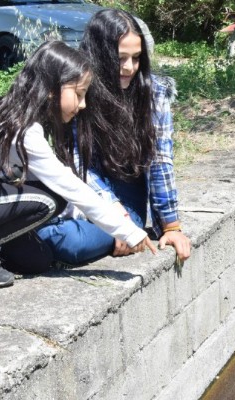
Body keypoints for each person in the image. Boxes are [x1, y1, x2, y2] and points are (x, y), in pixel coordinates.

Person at [0, 40, 156, 288]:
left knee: (37, 261)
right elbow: (70, 187)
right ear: (50, 89)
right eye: (78, 94)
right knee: (50, 200)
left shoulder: (22, 116)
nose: (83, 104)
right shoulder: (23, 129)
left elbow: (59, 179)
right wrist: (129, 232)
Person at [37, 9, 191, 265]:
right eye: (120, 58)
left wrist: (171, 226)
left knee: (73, 245)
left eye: (136, 58)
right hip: (76, 185)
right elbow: (74, 159)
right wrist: (108, 207)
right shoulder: (76, 89)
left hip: (126, 193)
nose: (129, 67)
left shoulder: (153, 93)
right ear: (99, 54)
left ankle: (20, 241)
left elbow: (160, 161)